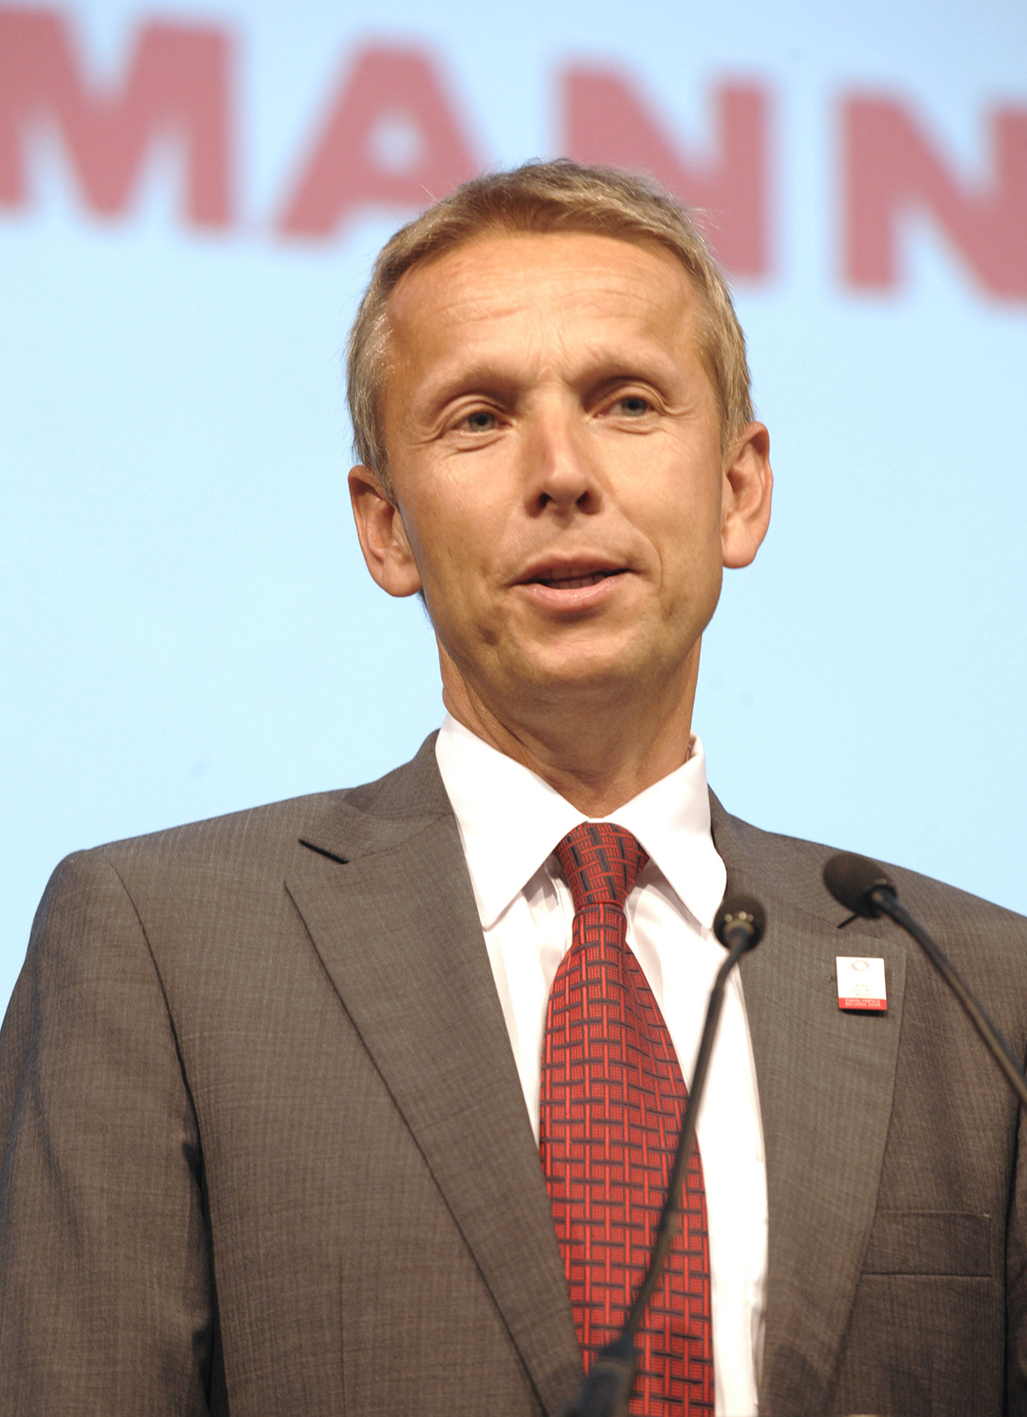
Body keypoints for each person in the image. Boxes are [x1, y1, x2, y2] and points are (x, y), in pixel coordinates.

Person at [1, 161, 1026, 1417]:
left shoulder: (973, 988)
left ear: (738, 490)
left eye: (628, 401)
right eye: (479, 417)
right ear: (385, 528)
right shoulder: (163, 947)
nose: (560, 471)